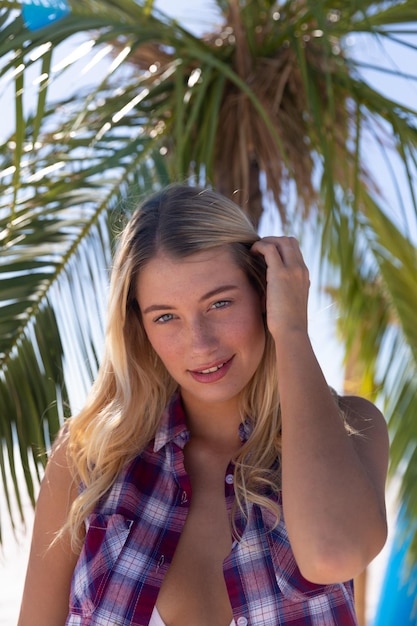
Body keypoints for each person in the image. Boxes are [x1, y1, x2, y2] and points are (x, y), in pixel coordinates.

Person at [18, 184, 389, 626]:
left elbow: (335, 552)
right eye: (166, 316)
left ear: (264, 291)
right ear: (140, 327)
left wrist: (292, 330)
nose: (200, 343)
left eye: (220, 302)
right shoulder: (88, 458)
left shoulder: (352, 427)